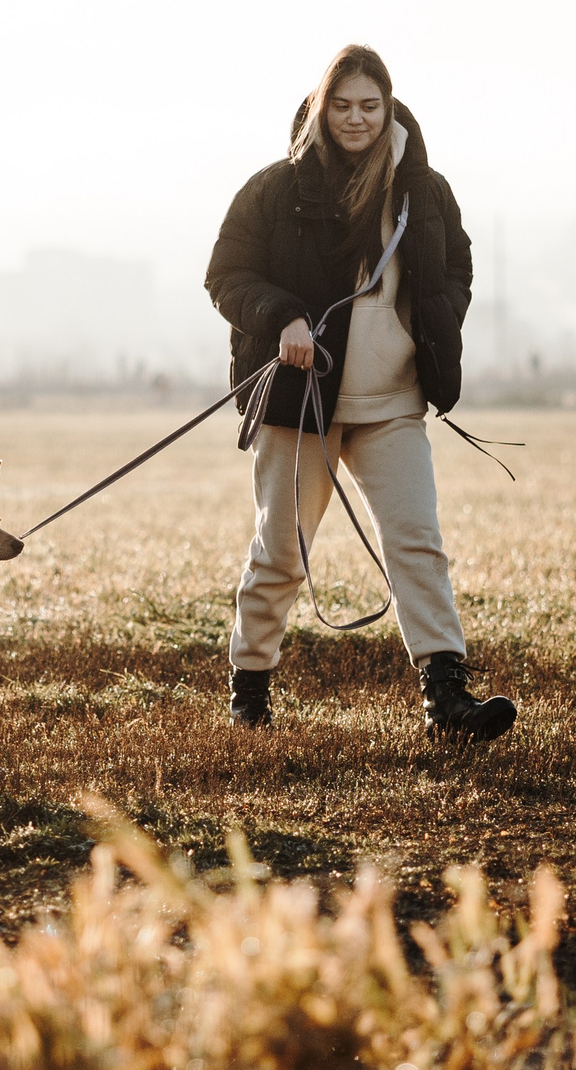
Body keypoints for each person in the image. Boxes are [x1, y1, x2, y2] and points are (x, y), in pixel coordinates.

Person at [204, 44, 517, 742]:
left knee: (418, 544)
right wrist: (282, 314)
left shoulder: (425, 191)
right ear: (322, 106)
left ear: (389, 107)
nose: (356, 118)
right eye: (341, 104)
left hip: (394, 404)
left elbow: (456, 269)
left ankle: (447, 699)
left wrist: (433, 331)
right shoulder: (272, 189)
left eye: (369, 105)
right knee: (280, 556)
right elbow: (225, 274)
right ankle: (249, 690)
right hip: (299, 405)